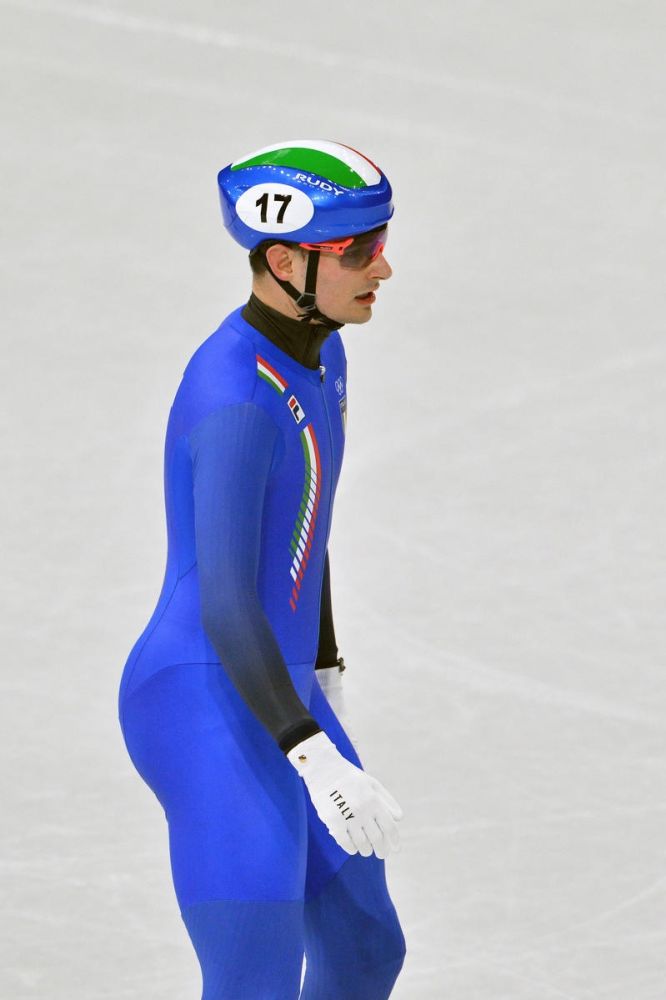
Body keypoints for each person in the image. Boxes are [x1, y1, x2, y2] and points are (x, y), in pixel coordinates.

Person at [117, 139, 406, 999]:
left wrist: (325, 673)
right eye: (359, 251)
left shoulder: (324, 355)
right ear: (284, 262)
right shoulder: (234, 397)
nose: (383, 267)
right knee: (255, 981)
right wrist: (309, 748)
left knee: (365, 949)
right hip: (204, 695)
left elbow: (305, 531)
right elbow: (228, 600)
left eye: (382, 241)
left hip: (281, 689)